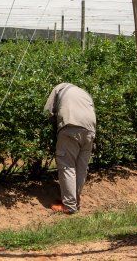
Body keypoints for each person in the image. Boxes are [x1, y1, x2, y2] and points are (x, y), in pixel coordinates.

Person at [43, 82, 96, 214]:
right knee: (81, 167)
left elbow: (48, 112)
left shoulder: (59, 88)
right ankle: (74, 200)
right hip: (90, 130)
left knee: (67, 165)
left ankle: (69, 206)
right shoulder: (85, 93)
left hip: (71, 126)